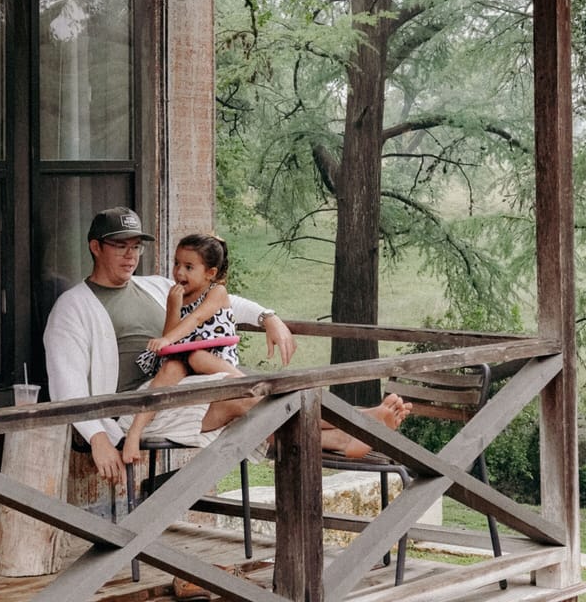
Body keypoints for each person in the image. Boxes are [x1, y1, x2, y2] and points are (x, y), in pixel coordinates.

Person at [44, 206, 411, 487]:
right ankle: (357, 422)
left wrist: (269, 318)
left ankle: (340, 438)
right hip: (131, 410)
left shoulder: (155, 286)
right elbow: (67, 386)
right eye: (120, 246)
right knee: (240, 394)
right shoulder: (74, 307)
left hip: (179, 389)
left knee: (261, 394)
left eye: (136, 247)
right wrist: (97, 438)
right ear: (95, 247)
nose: (130, 255)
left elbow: (222, 301)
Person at [123, 233, 244, 464]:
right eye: (176, 264)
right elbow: (172, 333)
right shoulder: (178, 295)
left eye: (189, 267)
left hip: (215, 354)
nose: (179, 272)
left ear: (210, 273)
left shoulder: (216, 292)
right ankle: (135, 431)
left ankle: (244, 383)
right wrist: (173, 307)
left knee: (197, 357)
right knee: (169, 369)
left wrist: (168, 340)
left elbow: (196, 320)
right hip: (185, 354)